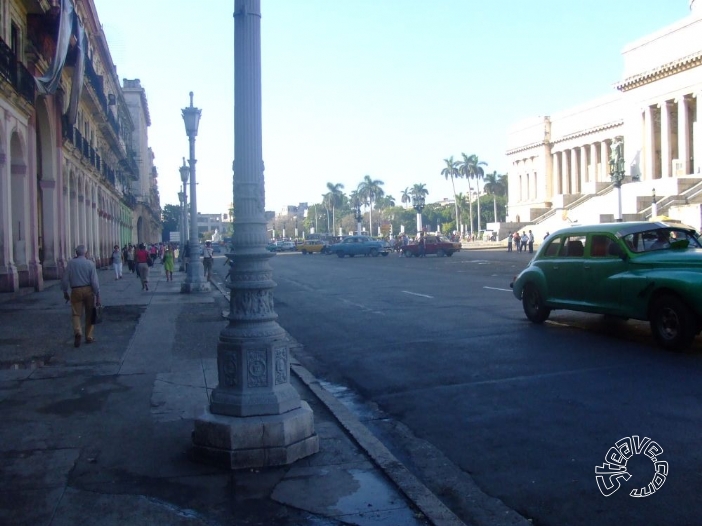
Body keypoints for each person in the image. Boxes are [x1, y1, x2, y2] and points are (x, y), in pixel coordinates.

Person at [61, 245, 101, 348]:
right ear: (86, 253)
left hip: (76, 290)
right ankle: (89, 337)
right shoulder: (90, 264)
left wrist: (65, 291)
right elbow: (94, 281)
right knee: (90, 313)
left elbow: (65, 279)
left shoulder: (71, 264)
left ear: (76, 253)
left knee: (76, 314)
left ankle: (78, 331)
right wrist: (97, 294)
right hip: (88, 290)